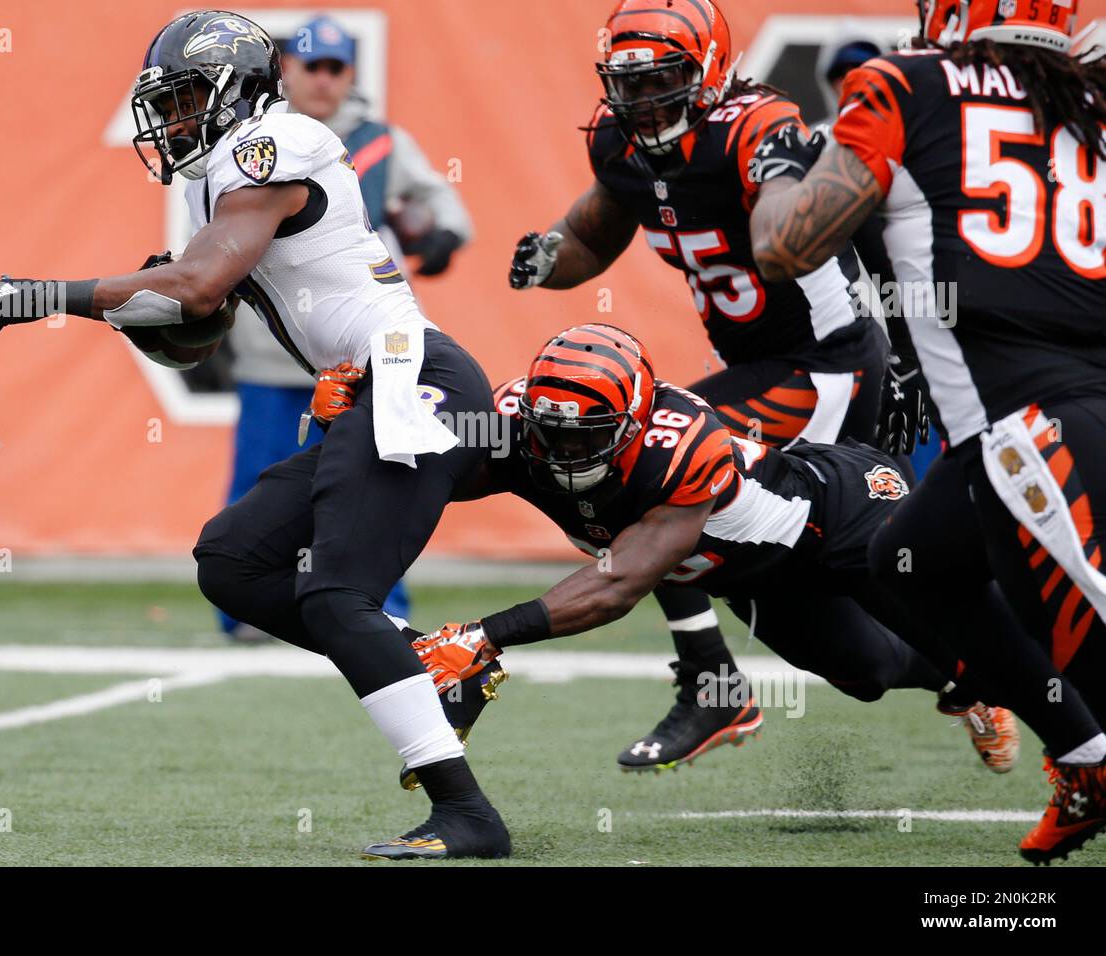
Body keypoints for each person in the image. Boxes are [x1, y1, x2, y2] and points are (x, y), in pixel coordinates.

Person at [0, 10, 508, 861]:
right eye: (166, 102)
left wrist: (40, 296)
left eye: (184, 99)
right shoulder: (217, 173)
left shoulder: (276, 142)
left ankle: (467, 815)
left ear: (237, 91)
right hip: (369, 387)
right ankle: (431, 658)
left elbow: (199, 281)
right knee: (233, 559)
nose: (172, 121)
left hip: (413, 379)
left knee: (333, 593)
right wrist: (147, 305)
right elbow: (194, 326)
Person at [507, 0, 915, 774]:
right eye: (629, 83)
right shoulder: (618, 142)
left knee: (649, 465)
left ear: (709, 73)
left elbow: (789, 236)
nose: (644, 100)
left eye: (663, 79)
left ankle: (711, 681)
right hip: (761, 367)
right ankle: (978, 677)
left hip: (824, 363)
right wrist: (544, 258)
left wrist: (776, 194)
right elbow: (591, 239)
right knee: (856, 660)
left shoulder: (756, 128)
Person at [747, 0, 1106, 863]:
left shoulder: (906, 84)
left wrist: (777, 173)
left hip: (1033, 426)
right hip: (1037, 417)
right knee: (914, 558)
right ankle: (1087, 759)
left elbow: (786, 249)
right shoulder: (1085, 94)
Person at [403, 323, 1016, 781]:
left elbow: (619, 584)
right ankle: (965, 687)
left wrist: (487, 634)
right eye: (551, 431)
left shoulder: (680, 447)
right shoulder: (517, 426)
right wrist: (366, 420)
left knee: (983, 642)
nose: (562, 450)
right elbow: (434, 474)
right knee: (867, 674)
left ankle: (1074, 742)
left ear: (634, 424)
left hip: (845, 518)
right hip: (758, 576)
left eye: (584, 434)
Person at [216, 13, 471, 638]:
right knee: (260, 480)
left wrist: (434, 236)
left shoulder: (378, 141)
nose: (324, 80)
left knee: (370, 481)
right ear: (285, 70)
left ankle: (381, 605)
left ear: (350, 74)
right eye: (311, 65)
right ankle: (246, 609)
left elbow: (445, 208)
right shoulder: (248, 144)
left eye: (336, 68)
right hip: (271, 352)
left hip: (357, 350)